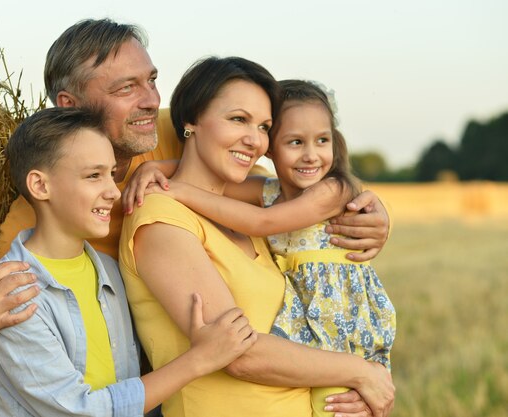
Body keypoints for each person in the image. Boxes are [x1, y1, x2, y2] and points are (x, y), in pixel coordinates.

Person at [0, 18, 391, 415]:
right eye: (126, 88)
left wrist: (362, 208)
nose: (150, 101)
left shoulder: (172, 142)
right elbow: (24, 387)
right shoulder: (33, 223)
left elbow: (272, 188)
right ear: (69, 103)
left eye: (152, 80)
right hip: (150, 394)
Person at [118, 56, 395, 417]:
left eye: (264, 127)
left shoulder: (261, 215)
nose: (255, 141)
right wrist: (364, 373)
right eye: (238, 119)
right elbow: (239, 353)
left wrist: (359, 395)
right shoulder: (161, 217)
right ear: (190, 121)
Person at [0, 105, 257, 416]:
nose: (113, 192)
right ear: (40, 186)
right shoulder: (13, 296)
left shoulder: (110, 271)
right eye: (93, 176)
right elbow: (81, 410)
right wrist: (199, 359)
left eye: (112, 174)